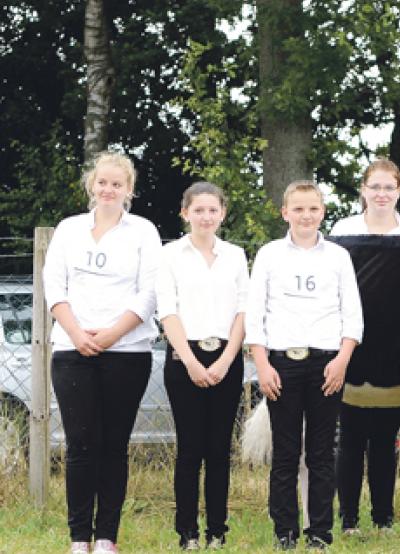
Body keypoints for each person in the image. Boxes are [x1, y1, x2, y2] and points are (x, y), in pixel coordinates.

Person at [43, 151, 162, 554]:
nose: (108, 189)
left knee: (114, 444)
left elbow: (149, 293)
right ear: (91, 184)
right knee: (80, 443)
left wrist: (111, 335)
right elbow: (54, 287)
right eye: (103, 182)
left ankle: (107, 536)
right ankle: (79, 537)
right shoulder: (68, 229)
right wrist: (77, 333)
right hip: (71, 349)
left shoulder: (144, 231)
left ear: (128, 189)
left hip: (126, 351)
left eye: (117, 183)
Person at [245, 180, 363, 551]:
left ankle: (320, 532)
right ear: (285, 213)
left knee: (321, 453)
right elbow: (254, 315)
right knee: (285, 453)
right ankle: (285, 531)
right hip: (281, 364)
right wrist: (262, 365)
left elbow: (352, 315)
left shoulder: (338, 256)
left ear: (322, 212)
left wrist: (342, 360)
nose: (306, 215)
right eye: (298, 209)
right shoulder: (269, 255)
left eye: (313, 208)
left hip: (327, 365)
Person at [329, 159, 400, 534]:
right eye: (375, 187)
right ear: (363, 190)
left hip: (396, 348)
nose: (381, 194)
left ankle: (384, 518)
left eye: (389, 187)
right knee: (349, 436)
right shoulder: (342, 231)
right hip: (351, 344)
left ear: (399, 191)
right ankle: (348, 520)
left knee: (386, 437)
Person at [156, 182, 249, 550]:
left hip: (226, 357)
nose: (206, 217)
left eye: (213, 210)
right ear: (185, 213)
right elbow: (168, 310)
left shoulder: (236, 256)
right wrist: (192, 361)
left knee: (219, 449)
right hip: (184, 357)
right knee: (190, 448)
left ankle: (217, 531)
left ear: (222, 214)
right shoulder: (170, 255)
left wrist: (226, 359)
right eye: (199, 210)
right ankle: (187, 532)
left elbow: (244, 309)